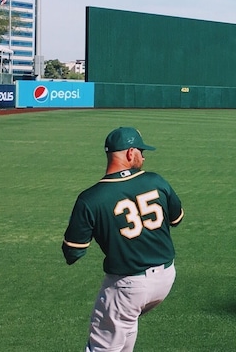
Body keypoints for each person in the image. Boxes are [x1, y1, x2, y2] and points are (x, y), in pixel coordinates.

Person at [62, 127, 184, 352]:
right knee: (126, 327)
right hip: (165, 278)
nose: (144, 156)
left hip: (128, 287)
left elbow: (73, 252)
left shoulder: (91, 199)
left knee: (101, 346)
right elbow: (176, 219)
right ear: (129, 153)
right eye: (141, 151)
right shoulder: (157, 181)